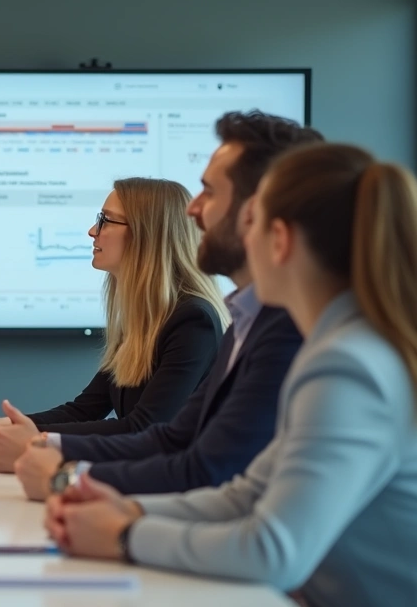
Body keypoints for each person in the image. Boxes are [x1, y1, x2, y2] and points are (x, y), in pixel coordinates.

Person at [46, 143, 417, 607]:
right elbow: (246, 496)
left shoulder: (347, 366)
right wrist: (131, 508)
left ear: (278, 240)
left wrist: (127, 534)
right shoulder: (336, 346)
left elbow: (272, 549)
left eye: (252, 224)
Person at [14, 111, 321, 499]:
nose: (194, 209)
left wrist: (52, 460)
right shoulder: (245, 324)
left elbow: (178, 451)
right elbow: (171, 440)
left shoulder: (207, 321)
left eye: (105, 220)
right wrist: (16, 431)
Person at [0, 178, 227, 469]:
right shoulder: (144, 318)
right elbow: (86, 409)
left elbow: (144, 427)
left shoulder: (192, 320)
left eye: (105, 221)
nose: (91, 232)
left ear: (145, 235)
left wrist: (34, 438)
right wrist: (3, 427)